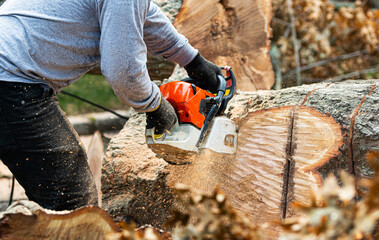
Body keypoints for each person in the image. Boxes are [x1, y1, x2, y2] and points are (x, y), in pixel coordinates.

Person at [0, 0, 222, 211]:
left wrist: (191, 60)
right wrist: (155, 107)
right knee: (71, 200)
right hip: (11, 81)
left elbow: (143, 15)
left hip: (10, 71)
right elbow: (122, 71)